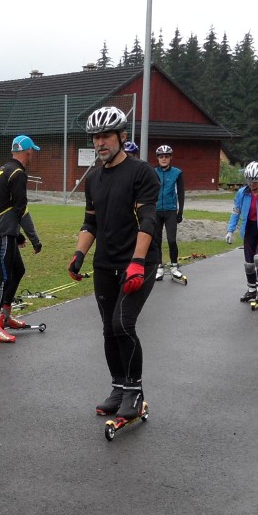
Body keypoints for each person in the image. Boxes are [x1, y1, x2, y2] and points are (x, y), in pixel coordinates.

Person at [66, 106, 160, 421]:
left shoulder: (142, 172)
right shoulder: (93, 178)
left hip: (140, 261)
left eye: (106, 135)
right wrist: (79, 254)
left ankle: (135, 390)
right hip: (106, 262)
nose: (100, 142)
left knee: (123, 324)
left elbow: (147, 221)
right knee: (108, 328)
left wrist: (137, 262)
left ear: (122, 136)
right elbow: (89, 222)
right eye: (95, 137)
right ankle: (119, 386)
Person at [0, 134, 43, 343]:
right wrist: (31, 238)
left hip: (1, 230)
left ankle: (5, 316)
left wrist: (17, 235)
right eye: (32, 152)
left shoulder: (3, 169)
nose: (32, 156)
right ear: (28, 152)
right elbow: (20, 210)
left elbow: (4, 205)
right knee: (4, 277)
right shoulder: (18, 173)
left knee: (18, 270)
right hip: (3, 232)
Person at [225, 161, 258, 305]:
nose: (252, 184)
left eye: (255, 181)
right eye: (249, 180)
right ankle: (251, 289)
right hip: (248, 229)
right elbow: (236, 212)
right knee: (248, 264)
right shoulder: (242, 192)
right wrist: (230, 230)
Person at [152, 144, 186, 281]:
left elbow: (181, 193)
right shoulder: (153, 172)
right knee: (157, 240)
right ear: (158, 158)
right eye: (161, 156)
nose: (164, 159)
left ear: (170, 157)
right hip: (156, 211)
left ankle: (174, 266)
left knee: (172, 240)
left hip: (171, 210)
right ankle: (159, 266)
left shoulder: (177, 173)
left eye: (166, 156)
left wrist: (180, 211)